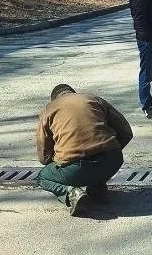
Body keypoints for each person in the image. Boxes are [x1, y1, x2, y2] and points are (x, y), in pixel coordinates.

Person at [35, 84, 133, 216]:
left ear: (54, 99)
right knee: (98, 160)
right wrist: (111, 149)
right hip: (112, 162)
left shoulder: (49, 110)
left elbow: (43, 157)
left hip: (76, 169)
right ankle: (97, 188)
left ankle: (71, 193)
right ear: (73, 93)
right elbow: (126, 132)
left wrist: (57, 158)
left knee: (43, 176)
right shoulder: (93, 99)